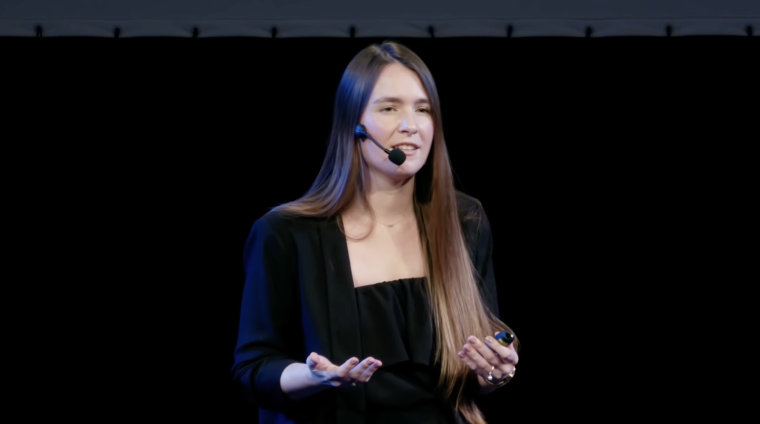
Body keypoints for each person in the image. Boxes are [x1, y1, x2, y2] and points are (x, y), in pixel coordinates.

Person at [232, 41, 519, 424]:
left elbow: (475, 371)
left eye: (423, 109)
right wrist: (314, 376)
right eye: (389, 108)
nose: (411, 126)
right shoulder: (285, 234)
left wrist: (495, 371)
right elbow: (253, 369)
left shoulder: (465, 220)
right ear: (355, 124)